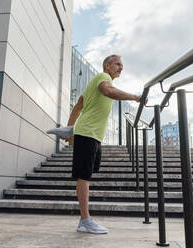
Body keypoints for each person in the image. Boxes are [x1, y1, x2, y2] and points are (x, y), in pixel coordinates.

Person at [63, 55, 145, 234]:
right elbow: (108, 91)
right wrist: (135, 97)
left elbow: (77, 106)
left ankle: (84, 220)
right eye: (117, 64)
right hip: (87, 133)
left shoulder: (95, 82)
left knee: (87, 174)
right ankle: (85, 220)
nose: (121, 68)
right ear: (107, 65)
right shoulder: (103, 78)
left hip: (91, 135)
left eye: (122, 65)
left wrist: (70, 131)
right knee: (83, 176)